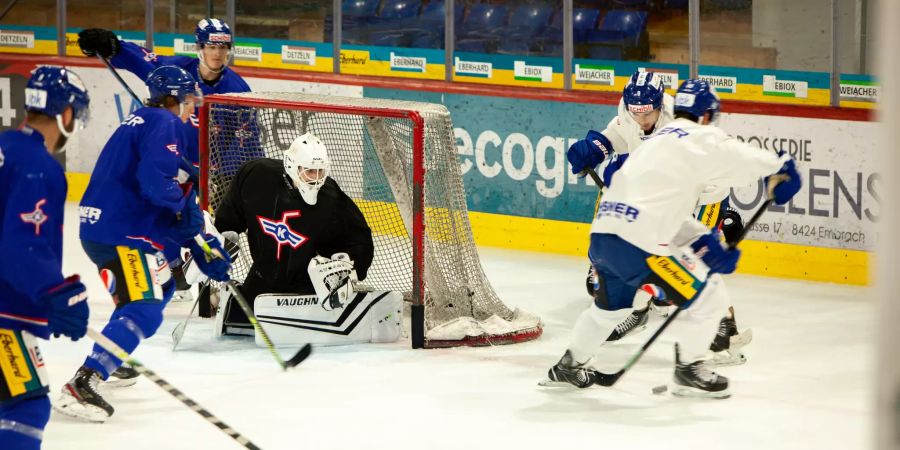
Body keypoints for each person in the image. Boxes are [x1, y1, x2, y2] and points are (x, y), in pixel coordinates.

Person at [550, 79, 801, 398]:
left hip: (604, 236)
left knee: (606, 310)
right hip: (641, 245)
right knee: (710, 295)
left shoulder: (653, 142)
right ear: (708, 116)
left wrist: (704, 243)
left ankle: (568, 366)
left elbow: (660, 207)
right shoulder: (701, 136)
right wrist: (781, 168)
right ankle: (689, 368)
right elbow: (746, 159)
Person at [53, 66, 232, 423]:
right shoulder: (163, 123)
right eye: (188, 100)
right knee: (146, 305)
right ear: (173, 100)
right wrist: (190, 222)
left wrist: (200, 241)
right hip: (122, 234)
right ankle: (84, 381)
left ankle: (112, 353)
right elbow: (156, 185)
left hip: (105, 229)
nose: (192, 107)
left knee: (162, 287)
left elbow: (167, 192)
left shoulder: (141, 122)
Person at [569, 71, 750, 365]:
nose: (641, 121)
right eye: (635, 112)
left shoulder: (680, 123)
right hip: (665, 194)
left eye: (647, 113)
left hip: (705, 193)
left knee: (697, 261)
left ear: (660, 105)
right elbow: (615, 136)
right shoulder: (630, 112)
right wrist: (593, 148)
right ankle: (638, 310)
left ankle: (723, 330)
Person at [77, 18, 258, 303]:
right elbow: (143, 61)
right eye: (212, 45)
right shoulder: (178, 73)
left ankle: (210, 287)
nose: (218, 53)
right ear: (199, 47)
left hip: (212, 173)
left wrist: (228, 179)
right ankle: (172, 271)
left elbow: (246, 143)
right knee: (172, 217)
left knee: (217, 230)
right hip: (174, 168)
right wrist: (114, 47)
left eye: (224, 48)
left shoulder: (238, 91)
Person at [209, 133, 400, 346]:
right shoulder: (256, 176)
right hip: (262, 282)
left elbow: (358, 236)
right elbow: (228, 219)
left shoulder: (330, 197)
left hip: (307, 289)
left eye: (321, 171)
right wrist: (219, 242)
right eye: (310, 171)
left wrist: (348, 264)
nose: (316, 178)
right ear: (292, 166)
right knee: (236, 317)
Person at [0, 67, 91, 449]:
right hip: (5, 311)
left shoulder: (6, 146)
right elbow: (22, 245)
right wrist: (56, 292)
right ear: (65, 114)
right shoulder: (41, 167)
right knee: (26, 407)